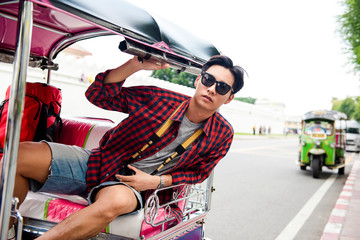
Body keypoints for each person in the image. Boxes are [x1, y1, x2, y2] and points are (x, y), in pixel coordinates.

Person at [6, 55, 245, 239]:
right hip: (98, 162)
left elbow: (199, 172)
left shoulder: (222, 133)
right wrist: (135, 64)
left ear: (229, 97)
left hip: (133, 185)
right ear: (198, 80)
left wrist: (156, 182)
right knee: (19, 154)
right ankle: (4, 231)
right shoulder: (160, 99)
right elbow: (98, 94)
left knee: (116, 202)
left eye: (222, 87)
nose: (212, 89)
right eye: (208, 80)